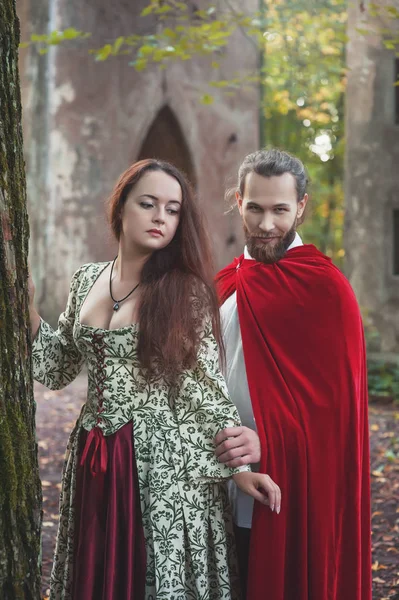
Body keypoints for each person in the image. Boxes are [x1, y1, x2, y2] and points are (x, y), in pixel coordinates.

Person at [29, 158, 281, 600]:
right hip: (94, 452)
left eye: (172, 208)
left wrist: (240, 469)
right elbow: (57, 368)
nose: (161, 216)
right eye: (148, 203)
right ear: (121, 207)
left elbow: (206, 387)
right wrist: (26, 309)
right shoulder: (87, 279)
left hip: (163, 466)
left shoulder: (185, 290)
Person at [214, 149, 371, 600]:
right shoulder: (225, 283)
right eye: (256, 208)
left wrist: (269, 442)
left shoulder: (326, 289)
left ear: (300, 206)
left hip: (293, 490)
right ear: (238, 201)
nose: (266, 224)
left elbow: (337, 416)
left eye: (280, 210)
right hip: (217, 484)